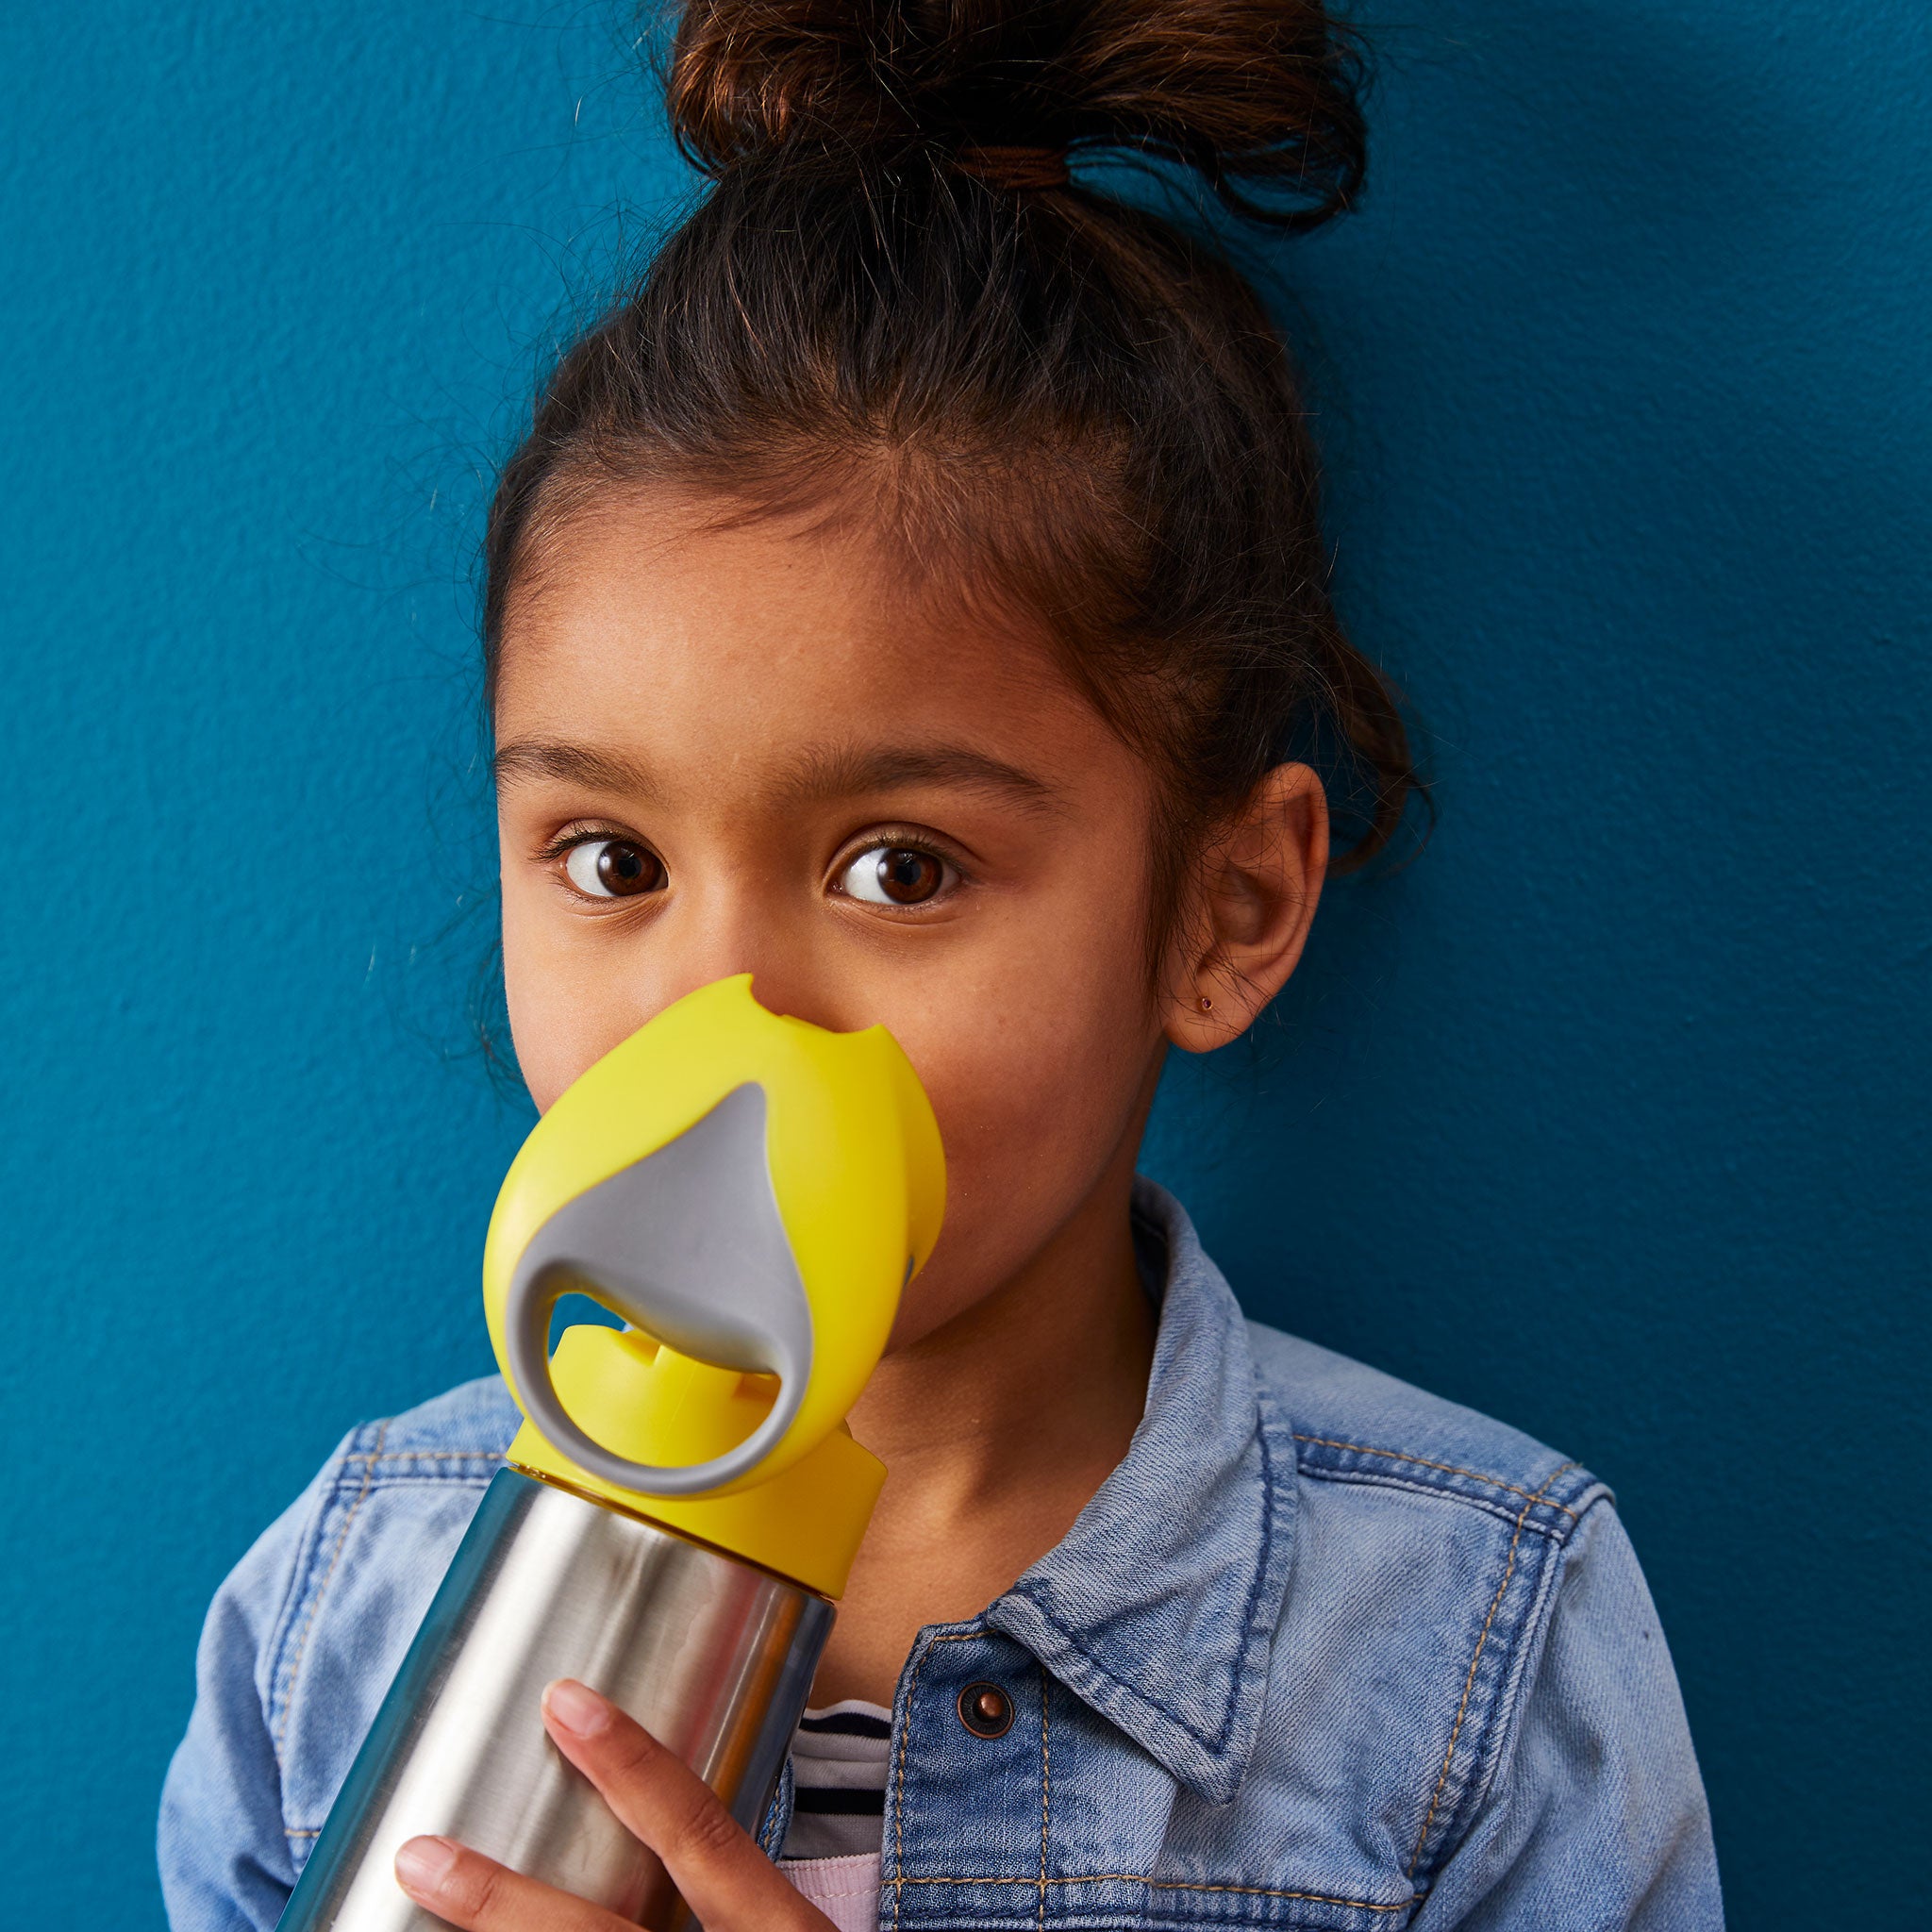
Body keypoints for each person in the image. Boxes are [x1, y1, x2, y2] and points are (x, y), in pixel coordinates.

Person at [158, 2, 1723, 1927]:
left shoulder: (1470, 1635)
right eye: (609, 858)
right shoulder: (346, 1604)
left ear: (1224, 913)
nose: (723, 1017)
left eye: (899, 869)